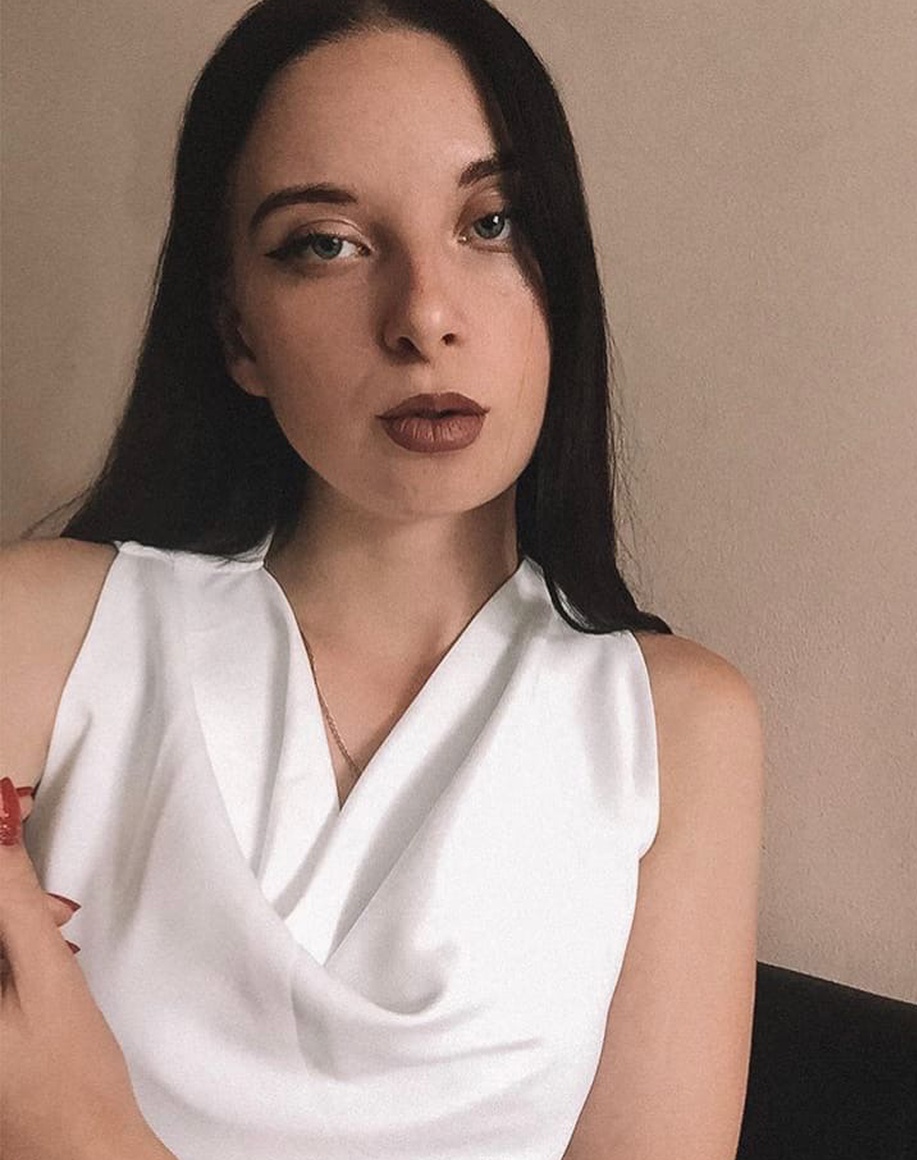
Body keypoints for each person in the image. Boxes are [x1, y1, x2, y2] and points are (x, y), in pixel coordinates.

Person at [0, 0, 764, 1156]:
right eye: (326, 242)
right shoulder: (47, 631)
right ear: (239, 333)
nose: (424, 316)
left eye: (491, 222)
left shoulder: (677, 729)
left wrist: (80, 1128)